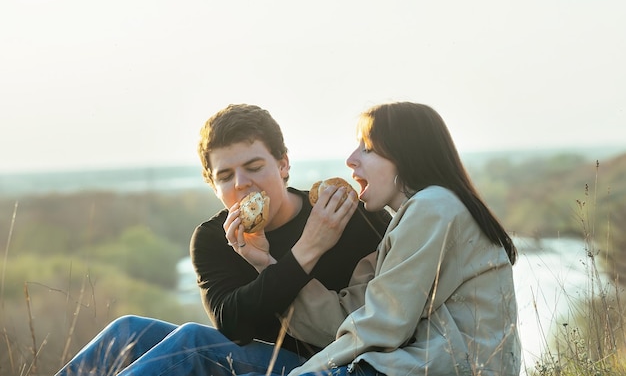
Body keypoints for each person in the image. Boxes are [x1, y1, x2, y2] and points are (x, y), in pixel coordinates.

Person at [54, 104, 390, 376]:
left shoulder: (343, 211)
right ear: (213, 186)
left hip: (336, 365)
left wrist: (314, 240)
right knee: (127, 329)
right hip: (252, 358)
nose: (242, 183)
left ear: (283, 164)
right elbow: (235, 326)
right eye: (225, 176)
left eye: (255, 166)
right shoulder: (214, 238)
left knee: (191, 340)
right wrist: (307, 249)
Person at [282, 102, 521, 376]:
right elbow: (356, 314)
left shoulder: (432, 207)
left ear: (406, 155)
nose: (351, 159)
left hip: (441, 368)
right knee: (220, 348)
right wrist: (267, 266)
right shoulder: (427, 210)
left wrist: (303, 373)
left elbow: (383, 324)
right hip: (417, 365)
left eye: (368, 148)